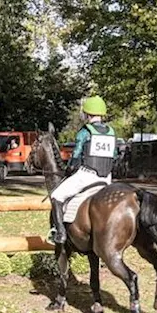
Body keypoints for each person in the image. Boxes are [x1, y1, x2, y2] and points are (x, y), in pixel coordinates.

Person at [49, 96, 118, 244]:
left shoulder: (85, 131)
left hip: (87, 175)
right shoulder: (112, 132)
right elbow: (114, 155)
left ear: (88, 114)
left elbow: (76, 155)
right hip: (106, 178)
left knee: (56, 195)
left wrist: (69, 169)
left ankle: (60, 234)